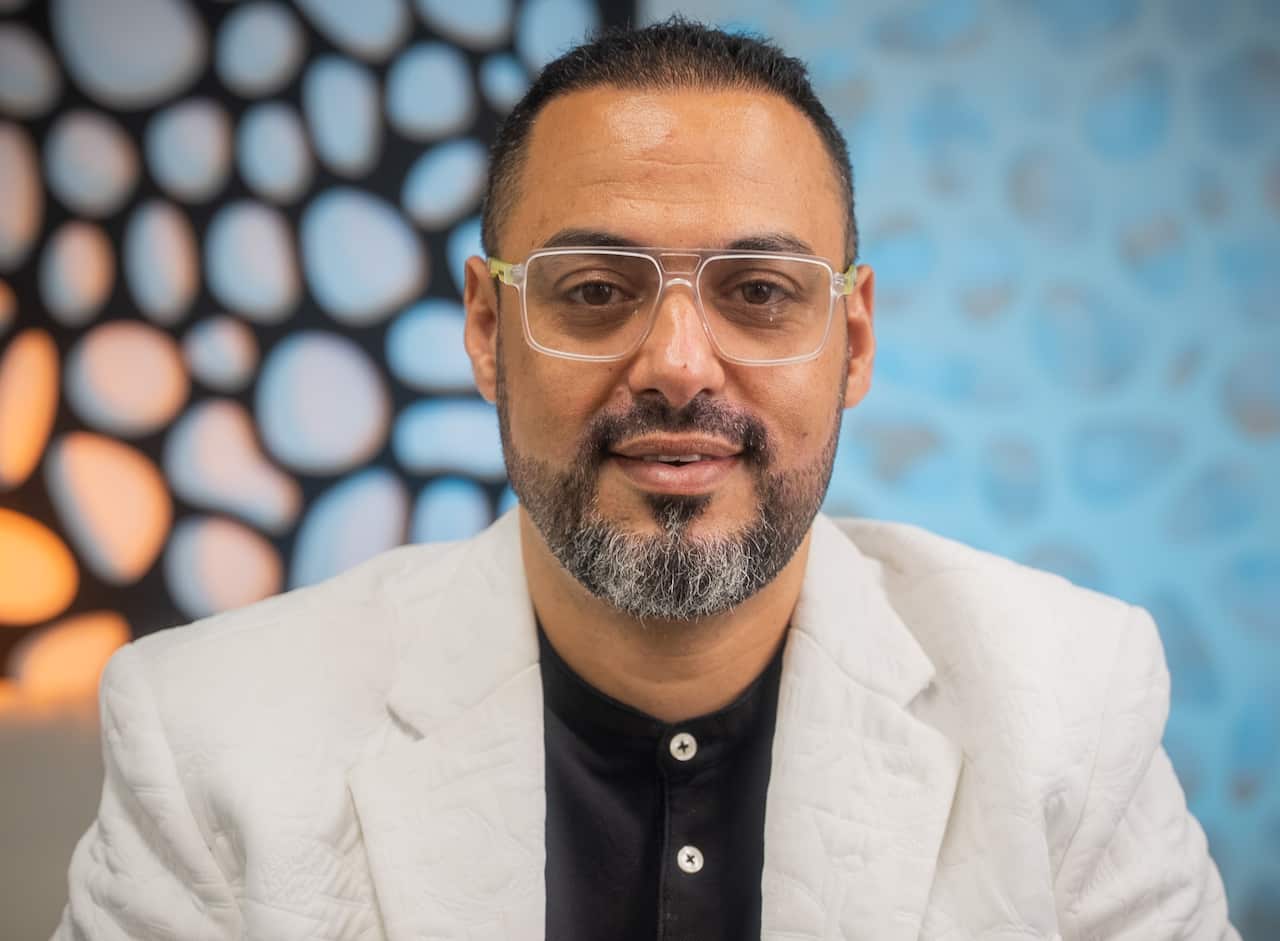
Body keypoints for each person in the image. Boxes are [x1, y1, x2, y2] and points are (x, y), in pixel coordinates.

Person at [57, 18, 1237, 941]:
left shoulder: (1065, 711)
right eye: (594, 291)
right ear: (486, 329)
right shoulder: (214, 735)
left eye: (759, 293)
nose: (678, 365)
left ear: (853, 339)